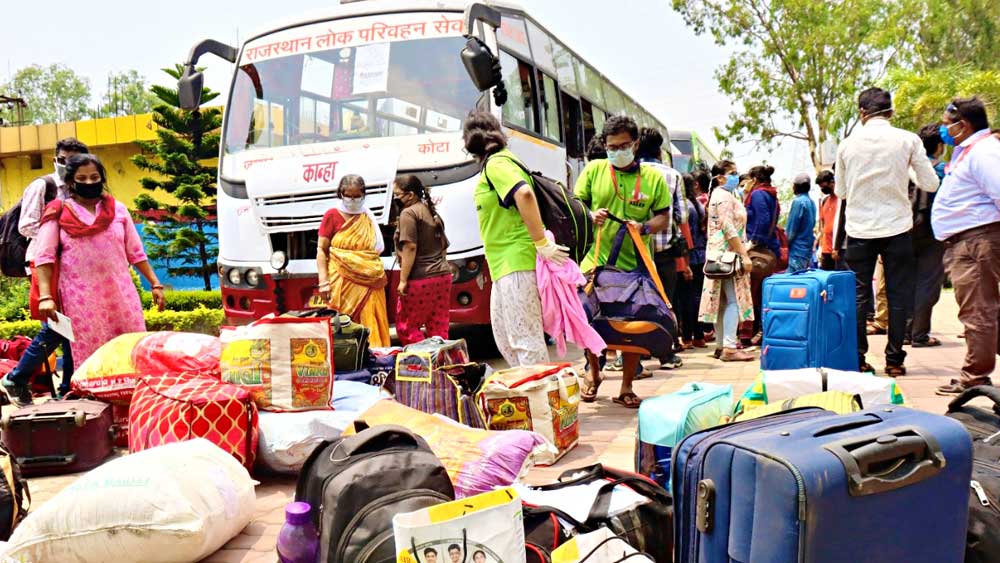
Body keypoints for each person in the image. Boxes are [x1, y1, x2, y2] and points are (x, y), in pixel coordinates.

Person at [24, 155, 165, 401]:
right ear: (69, 182)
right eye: (81, 178)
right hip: (81, 300)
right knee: (90, 356)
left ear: (102, 179)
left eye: (94, 177)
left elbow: (135, 252)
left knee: (132, 347)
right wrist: (46, 296)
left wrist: (155, 283)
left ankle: (135, 404)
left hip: (121, 296)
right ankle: (96, 411)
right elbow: (44, 257)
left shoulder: (118, 210)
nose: (89, 182)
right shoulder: (57, 213)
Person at [835, 87, 940, 376]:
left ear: (862, 114)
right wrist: (904, 172)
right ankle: (894, 360)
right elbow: (930, 184)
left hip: (859, 230)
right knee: (898, 294)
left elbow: (841, 191)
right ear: (891, 112)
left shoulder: (846, 145)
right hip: (897, 228)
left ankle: (858, 359)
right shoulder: (908, 140)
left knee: (858, 296)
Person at [576, 115, 672, 408]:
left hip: (635, 268)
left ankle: (627, 385)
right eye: (612, 146)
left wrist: (643, 227)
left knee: (634, 322)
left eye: (624, 145)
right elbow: (577, 206)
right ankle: (594, 372)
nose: (617, 151)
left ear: (636, 144)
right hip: (595, 262)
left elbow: (664, 217)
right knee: (587, 318)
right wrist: (591, 215)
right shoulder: (593, 171)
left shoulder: (654, 178)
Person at [464, 111, 566, 367]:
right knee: (506, 340)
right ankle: (528, 396)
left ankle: (539, 402)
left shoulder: (497, 163)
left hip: (516, 261)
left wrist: (541, 242)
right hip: (503, 264)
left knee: (525, 340)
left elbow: (525, 195)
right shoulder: (500, 162)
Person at [1, 138, 89, 405]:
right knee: (56, 326)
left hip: (71, 265)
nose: (66, 166)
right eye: (62, 160)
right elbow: (26, 225)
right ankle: (16, 377)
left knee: (73, 328)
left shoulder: (80, 189)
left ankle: (68, 387)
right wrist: (60, 234)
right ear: (55, 159)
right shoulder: (43, 186)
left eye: (72, 161)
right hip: (44, 264)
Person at [930, 97, 1000, 395]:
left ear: (964, 125)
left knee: (977, 311)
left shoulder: (984, 152)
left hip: (976, 241)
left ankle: (975, 377)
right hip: (968, 240)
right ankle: (977, 371)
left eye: (947, 125)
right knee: (982, 309)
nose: (944, 130)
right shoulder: (968, 151)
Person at [317, 174, 391, 347]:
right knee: (343, 323)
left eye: (357, 196)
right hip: (341, 282)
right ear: (340, 193)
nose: (352, 200)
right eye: (348, 195)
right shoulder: (332, 215)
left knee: (371, 319)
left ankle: (374, 360)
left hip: (369, 280)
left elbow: (376, 248)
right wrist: (323, 281)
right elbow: (321, 249)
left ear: (364, 194)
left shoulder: (367, 216)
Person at [636, 126, 688, 368]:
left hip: (635, 250)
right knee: (665, 301)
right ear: (659, 150)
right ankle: (666, 354)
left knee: (637, 303)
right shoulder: (672, 175)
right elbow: (682, 215)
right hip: (664, 250)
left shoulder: (628, 173)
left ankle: (639, 352)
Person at [698, 160, 755, 362]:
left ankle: (722, 345)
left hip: (717, 253)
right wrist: (744, 254)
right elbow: (728, 227)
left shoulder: (720, 195)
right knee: (732, 300)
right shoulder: (723, 196)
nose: (736, 176)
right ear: (720, 177)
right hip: (728, 255)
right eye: (732, 173)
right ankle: (730, 348)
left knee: (721, 302)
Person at [392, 174, 452, 346]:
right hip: (442, 276)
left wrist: (403, 280)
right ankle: (443, 366)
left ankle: (424, 365)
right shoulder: (430, 212)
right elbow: (443, 246)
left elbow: (410, 247)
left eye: (398, 195)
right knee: (439, 327)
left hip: (420, 279)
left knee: (408, 327)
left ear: (410, 195)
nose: (395, 198)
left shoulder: (408, 214)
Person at [906, 124, 947, 348]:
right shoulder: (942, 169)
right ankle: (919, 335)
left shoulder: (907, 169)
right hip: (933, 233)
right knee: (928, 284)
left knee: (907, 282)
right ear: (939, 146)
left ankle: (904, 331)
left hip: (906, 230)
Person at [743, 165, 782, 343]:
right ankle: (762, 329)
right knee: (762, 291)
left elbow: (763, 219)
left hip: (760, 250)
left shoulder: (758, 194)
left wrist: (753, 242)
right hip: (770, 248)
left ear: (755, 179)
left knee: (755, 292)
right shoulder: (770, 194)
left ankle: (758, 330)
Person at [676, 172, 708, 348]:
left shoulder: (684, 207)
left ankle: (687, 337)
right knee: (697, 297)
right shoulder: (698, 206)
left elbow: (685, 238)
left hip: (689, 256)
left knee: (686, 299)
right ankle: (699, 335)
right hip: (701, 255)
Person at [785, 173, 817, 273]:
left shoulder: (798, 202)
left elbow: (791, 230)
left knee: (792, 282)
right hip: (806, 250)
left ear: (797, 187)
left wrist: (784, 245)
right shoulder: (811, 202)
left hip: (796, 250)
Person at [815, 170, 844, 271]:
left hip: (839, 249)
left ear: (832, 182)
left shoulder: (841, 200)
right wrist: (821, 247)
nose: (823, 189)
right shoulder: (824, 201)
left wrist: (837, 248)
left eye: (824, 186)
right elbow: (823, 226)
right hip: (826, 249)